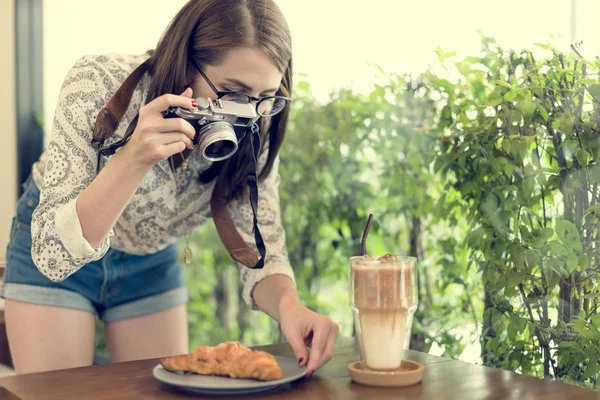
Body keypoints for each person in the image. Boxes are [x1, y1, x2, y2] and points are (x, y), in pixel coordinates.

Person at [2, 0, 338, 376]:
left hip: (151, 258)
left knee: (163, 389)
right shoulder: (97, 82)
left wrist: (290, 306)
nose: (247, 113)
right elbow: (54, 256)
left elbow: (263, 253)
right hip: (62, 239)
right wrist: (133, 159)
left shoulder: (258, 121)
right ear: (185, 62)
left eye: (265, 97)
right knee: (59, 392)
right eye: (233, 92)